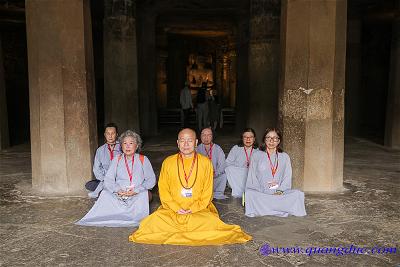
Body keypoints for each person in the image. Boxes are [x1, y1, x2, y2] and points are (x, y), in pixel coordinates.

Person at [129, 128, 252, 245]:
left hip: (199, 210)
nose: (186, 144)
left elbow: (208, 192)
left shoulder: (205, 162)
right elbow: (163, 190)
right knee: (154, 221)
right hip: (172, 210)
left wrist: (193, 208)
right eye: (182, 140)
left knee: (210, 221)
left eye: (190, 140)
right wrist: (176, 207)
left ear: (196, 142)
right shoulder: (168, 162)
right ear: (177, 143)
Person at [76, 130, 156, 227]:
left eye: (131, 143)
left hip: (136, 192)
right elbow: (108, 179)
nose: (127, 146)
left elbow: (151, 180)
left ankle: (125, 211)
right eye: (124, 143)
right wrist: (117, 190)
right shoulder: (117, 159)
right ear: (121, 146)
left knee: (146, 195)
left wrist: (136, 190)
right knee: (104, 193)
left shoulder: (143, 159)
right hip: (120, 193)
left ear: (137, 145)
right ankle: (119, 212)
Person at [245, 128, 306, 217]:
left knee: (298, 194)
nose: (271, 141)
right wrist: (260, 191)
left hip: (279, 193)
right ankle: (277, 207)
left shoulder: (285, 157)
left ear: (279, 141)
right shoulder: (256, 155)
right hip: (261, 192)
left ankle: (266, 208)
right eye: (268, 137)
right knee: (250, 194)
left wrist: (280, 191)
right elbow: (252, 177)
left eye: (275, 138)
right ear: (264, 140)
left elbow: (287, 177)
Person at [85, 123, 121, 198]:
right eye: (108, 133)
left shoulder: (123, 147)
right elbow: (96, 169)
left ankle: (106, 190)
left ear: (117, 134)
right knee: (88, 185)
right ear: (105, 134)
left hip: (120, 178)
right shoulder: (100, 150)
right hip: (105, 179)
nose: (110, 136)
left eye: (113, 133)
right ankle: (108, 188)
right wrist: (105, 180)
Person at [225, 128, 258, 198]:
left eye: (250, 137)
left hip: (251, 176)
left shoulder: (258, 151)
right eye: (245, 137)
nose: (248, 139)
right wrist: (240, 170)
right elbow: (227, 163)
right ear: (242, 138)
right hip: (237, 176)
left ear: (254, 139)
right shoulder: (236, 148)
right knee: (229, 169)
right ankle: (245, 190)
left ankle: (245, 190)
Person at [196, 127, 228, 199]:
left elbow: (222, 165)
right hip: (201, 178)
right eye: (203, 135)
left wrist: (215, 174)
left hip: (214, 176)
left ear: (212, 136)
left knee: (224, 176)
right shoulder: (196, 149)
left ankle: (216, 193)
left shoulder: (218, 149)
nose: (206, 137)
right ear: (200, 136)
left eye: (209, 135)